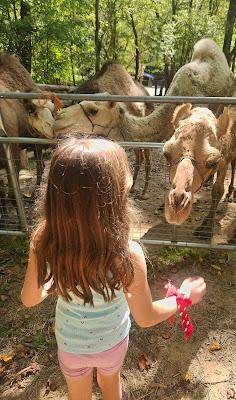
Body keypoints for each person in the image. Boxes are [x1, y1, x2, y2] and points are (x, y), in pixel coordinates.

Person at [21, 135, 206, 400]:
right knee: (111, 388)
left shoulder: (44, 240)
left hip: (70, 346)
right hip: (111, 345)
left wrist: (55, 280)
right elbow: (146, 317)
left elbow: (29, 299)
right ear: (115, 197)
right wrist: (184, 297)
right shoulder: (128, 254)